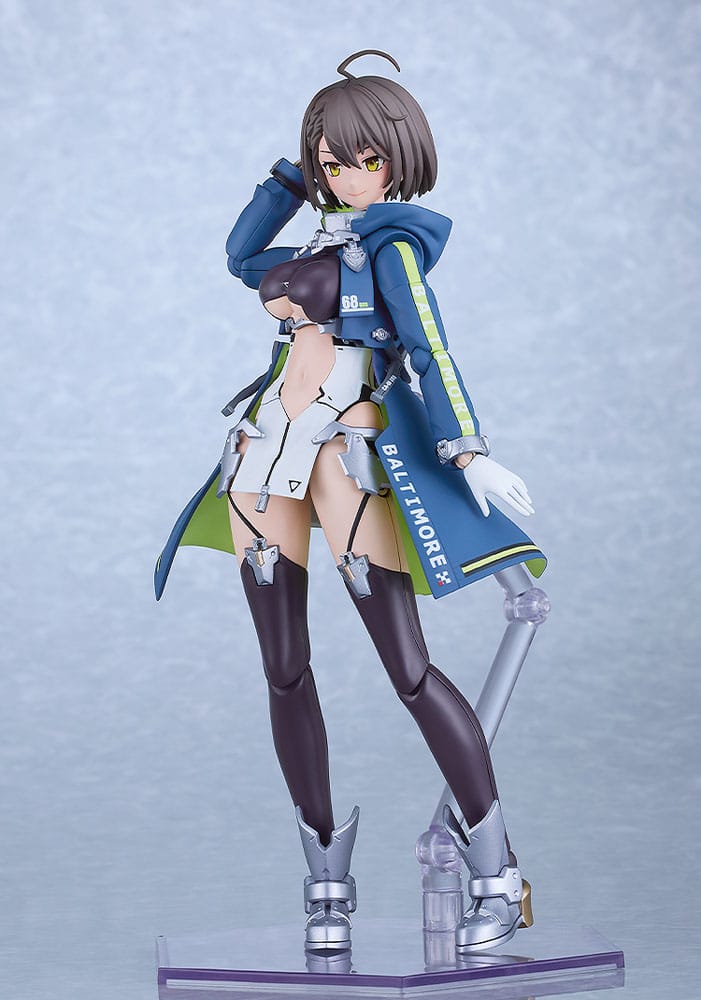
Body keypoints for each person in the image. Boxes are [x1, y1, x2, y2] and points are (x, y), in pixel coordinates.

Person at [155, 50, 546, 955]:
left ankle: (498, 874)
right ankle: (325, 882)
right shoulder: (315, 244)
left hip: (348, 454)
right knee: (283, 668)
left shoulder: (393, 246)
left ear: (399, 158)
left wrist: (467, 449)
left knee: (405, 667)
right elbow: (240, 258)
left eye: (366, 159)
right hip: (265, 449)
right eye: (334, 161)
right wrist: (292, 177)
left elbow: (431, 347)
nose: (349, 176)